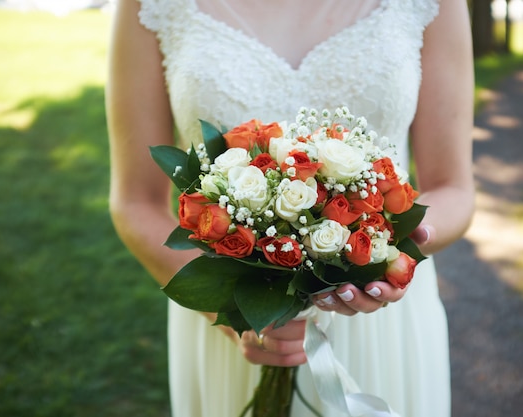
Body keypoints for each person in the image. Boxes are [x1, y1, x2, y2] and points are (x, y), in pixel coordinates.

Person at [106, 0, 475, 416]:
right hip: (237, 323)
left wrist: (392, 250)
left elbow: (453, 188)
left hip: (381, 321)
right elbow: (135, 200)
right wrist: (233, 314)